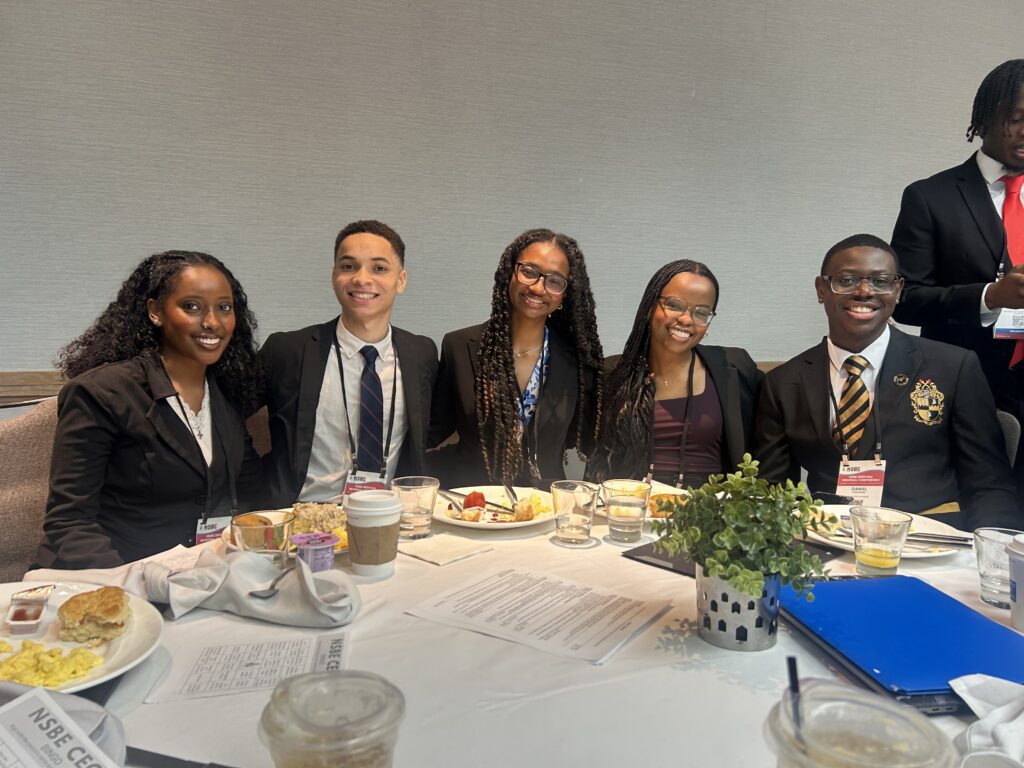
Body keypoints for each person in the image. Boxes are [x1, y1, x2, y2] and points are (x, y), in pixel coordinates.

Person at [755, 234, 1020, 531]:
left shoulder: (952, 367)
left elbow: (990, 483)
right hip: (831, 540)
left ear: (898, 290)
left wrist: (991, 555)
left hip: (930, 539)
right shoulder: (783, 383)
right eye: (846, 280)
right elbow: (771, 492)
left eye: (881, 281)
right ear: (821, 289)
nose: (864, 291)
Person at [36, 251, 264, 569]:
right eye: (192, 306)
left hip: (200, 573)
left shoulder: (226, 391)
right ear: (156, 312)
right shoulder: (101, 392)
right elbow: (70, 524)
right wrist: (133, 589)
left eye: (224, 308)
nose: (212, 322)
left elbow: (251, 486)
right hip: (116, 577)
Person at [891, 59, 1024, 507]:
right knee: (985, 515)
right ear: (985, 118)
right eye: (1018, 119)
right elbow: (905, 299)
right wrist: (990, 297)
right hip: (970, 384)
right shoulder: (931, 197)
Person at [258, 220, 437, 506]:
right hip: (305, 518)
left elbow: (430, 431)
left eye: (379, 268)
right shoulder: (287, 350)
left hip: (389, 516)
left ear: (401, 280)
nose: (361, 279)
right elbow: (225, 421)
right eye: (349, 266)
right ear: (334, 276)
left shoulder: (421, 353)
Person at [429, 228, 604, 487]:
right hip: (473, 502)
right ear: (510, 273)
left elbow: (587, 436)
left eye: (555, 281)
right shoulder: (458, 346)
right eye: (529, 272)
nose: (538, 288)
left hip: (546, 503)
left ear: (565, 294)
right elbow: (434, 430)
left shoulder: (578, 360)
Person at [587, 260, 761, 487]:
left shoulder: (734, 369)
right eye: (675, 305)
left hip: (709, 513)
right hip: (630, 508)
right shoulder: (613, 374)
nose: (687, 320)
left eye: (701, 313)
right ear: (650, 307)